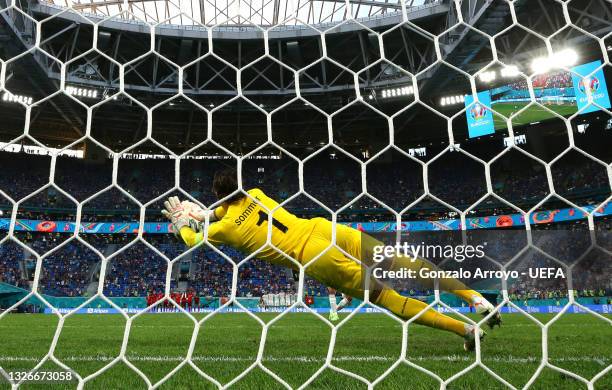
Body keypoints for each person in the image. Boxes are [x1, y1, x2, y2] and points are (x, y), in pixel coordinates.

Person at [162, 169, 501, 351]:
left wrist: (184, 222)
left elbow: (194, 241)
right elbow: (230, 204)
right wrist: (203, 212)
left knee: (387, 297)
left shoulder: (224, 228)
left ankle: (466, 330)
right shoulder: (256, 194)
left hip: (313, 256)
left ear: (216, 198)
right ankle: (474, 297)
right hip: (324, 229)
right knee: (396, 258)